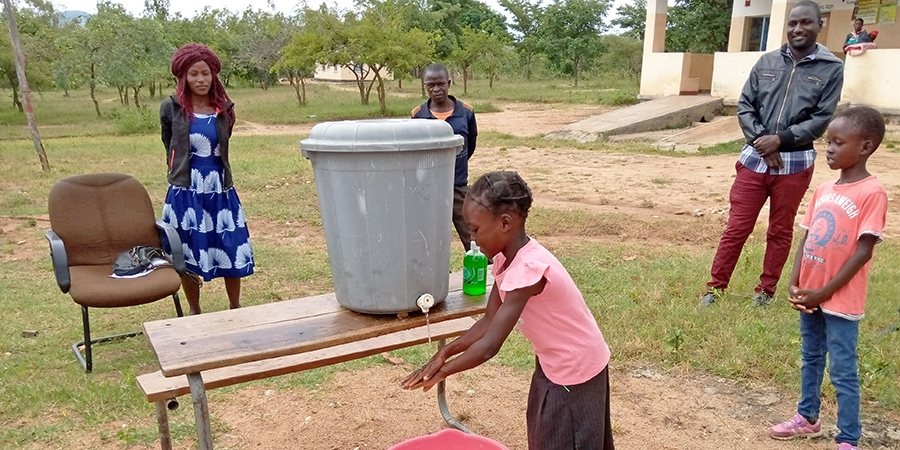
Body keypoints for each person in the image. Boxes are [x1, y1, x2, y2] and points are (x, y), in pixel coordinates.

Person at [402, 171, 614, 450]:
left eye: (475, 229)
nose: (472, 239)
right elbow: (488, 321)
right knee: (544, 433)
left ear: (505, 223)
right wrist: (445, 352)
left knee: (566, 438)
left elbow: (490, 345)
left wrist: (444, 372)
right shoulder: (506, 259)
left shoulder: (529, 270)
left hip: (575, 371)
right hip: (555, 364)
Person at [700, 0, 844, 307]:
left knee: (780, 230)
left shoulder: (831, 68)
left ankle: (765, 292)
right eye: (792, 23)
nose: (797, 29)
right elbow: (745, 105)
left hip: (794, 164)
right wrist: (761, 142)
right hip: (755, 160)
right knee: (737, 227)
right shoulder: (766, 62)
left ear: (820, 25)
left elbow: (821, 118)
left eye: (806, 22)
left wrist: (780, 139)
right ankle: (715, 288)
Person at [768, 106, 888, 450]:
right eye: (827, 142)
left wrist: (824, 292)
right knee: (810, 358)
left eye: (838, 142)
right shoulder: (823, 189)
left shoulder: (871, 192)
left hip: (840, 300)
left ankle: (848, 437)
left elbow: (863, 251)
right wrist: (795, 282)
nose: (829, 149)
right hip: (811, 294)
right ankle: (807, 418)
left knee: (842, 371)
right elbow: (807, 238)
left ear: (865, 147)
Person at [160, 43, 255, 315]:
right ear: (183, 77)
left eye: (205, 73)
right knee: (186, 248)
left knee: (230, 243)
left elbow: (223, 145)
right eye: (193, 74)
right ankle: (194, 309)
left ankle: (235, 307)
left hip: (219, 188)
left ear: (214, 75)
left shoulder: (223, 108)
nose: (200, 79)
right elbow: (170, 145)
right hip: (186, 190)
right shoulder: (171, 108)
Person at [411, 63, 478, 252]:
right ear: (425, 86)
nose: (436, 89)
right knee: (428, 239)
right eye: (430, 85)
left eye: (440, 84)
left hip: (457, 186)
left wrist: (454, 164)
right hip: (427, 188)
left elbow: (470, 144)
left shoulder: (466, 112)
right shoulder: (418, 115)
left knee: (473, 237)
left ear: (448, 83)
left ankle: (485, 277)